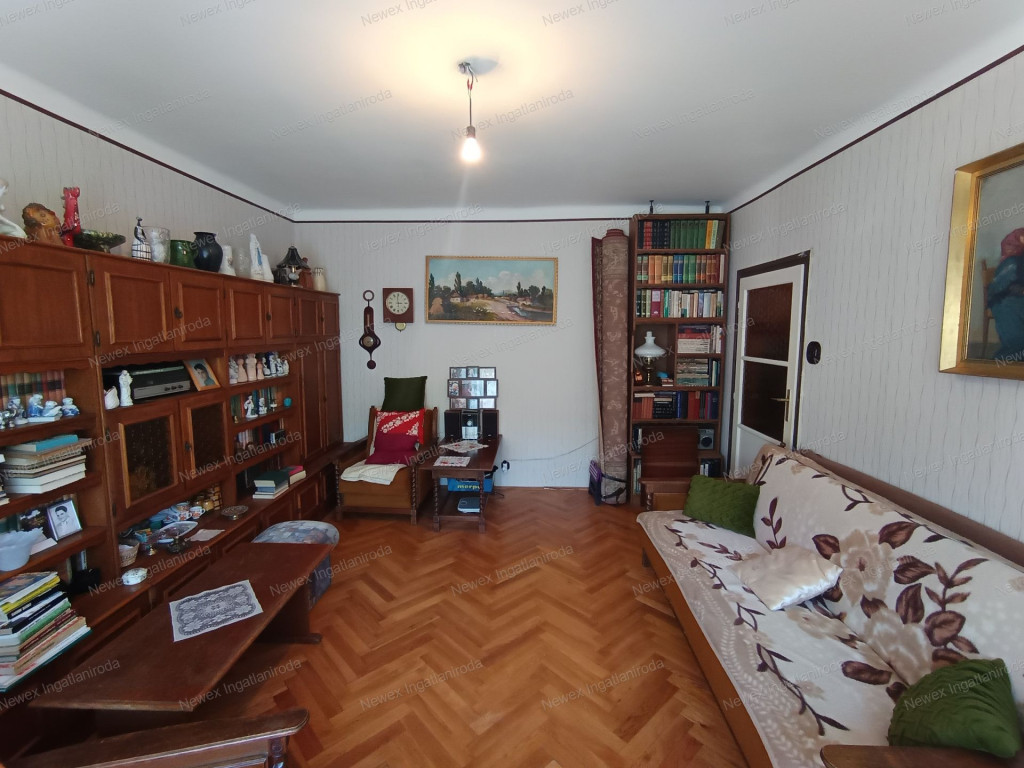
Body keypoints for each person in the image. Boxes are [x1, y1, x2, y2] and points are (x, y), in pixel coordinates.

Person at [987, 228, 1024, 363]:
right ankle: (995, 367)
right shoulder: (1011, 263)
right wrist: (1020, 290)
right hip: (1005, 303)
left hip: (1019, 302)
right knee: (1017, 342)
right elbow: (997, 289)